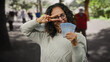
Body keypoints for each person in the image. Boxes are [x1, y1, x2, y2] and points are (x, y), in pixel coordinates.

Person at [20, 3, 88, 62]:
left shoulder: (79, 37)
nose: (61, 19)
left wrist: (75, 44)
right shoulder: (44, 36)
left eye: (62, 15)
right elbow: (24, 29)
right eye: (56, 17)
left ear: (67, 15)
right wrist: (39, 20)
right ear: (50, 20)